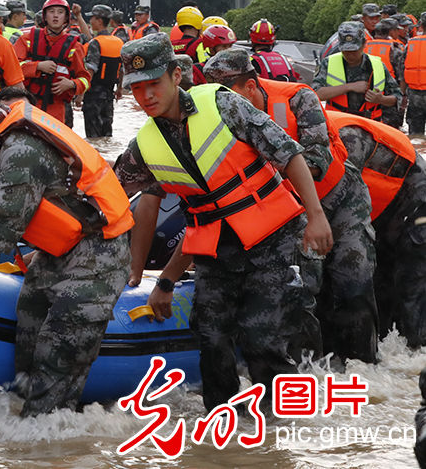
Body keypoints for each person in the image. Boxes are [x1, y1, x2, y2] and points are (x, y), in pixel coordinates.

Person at [114, 35, 332, 410]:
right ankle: (222, 442)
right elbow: (108, 195)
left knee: (262, 341)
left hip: (272, 241)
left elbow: (290, 154)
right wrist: (164, 281)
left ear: (176, 75)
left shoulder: (223, 104)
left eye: (154, 83)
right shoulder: (145, 145)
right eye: (137, 88)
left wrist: (316, 216)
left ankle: (273, 441)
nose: (146, 95)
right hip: (217, 253)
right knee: (211, 340)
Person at [0, 71, 134, 415]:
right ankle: (25, 428)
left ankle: (50, 434)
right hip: (58, 249)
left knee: (57, 351)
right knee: (28, 328)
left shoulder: (18, 150)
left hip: (99, 250)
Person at [203, 49, 378, 364]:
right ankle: (308, 374)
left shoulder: (299, 98)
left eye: (229, 96)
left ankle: (365, 369)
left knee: (353, 280)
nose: (223, 107)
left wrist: (273, 165)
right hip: (288, 211)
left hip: (339, 200)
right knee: (299, 290)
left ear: (251, 88)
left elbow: (317, 157)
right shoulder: (216, 119)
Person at [324, 109, 426, 348]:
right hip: (379, 214)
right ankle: (381, 362)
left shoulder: (345, 137)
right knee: (380, 291)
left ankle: (414, 359)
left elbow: (335, 208)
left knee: (413, 292)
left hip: (415, 204)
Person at [13, 0, 90, 126]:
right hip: (27, 105)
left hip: (57, 108)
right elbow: (12, 68)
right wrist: (37, 66)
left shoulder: (74, 46)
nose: (55, 16)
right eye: (51, 12)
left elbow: (85, 79)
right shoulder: (27, 39)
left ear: (66, 18)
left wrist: (71, 84)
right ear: (45, 16)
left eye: (60, 12)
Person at [313, 21, 400, 121]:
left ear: (364, 44)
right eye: (346, 50)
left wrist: (381, 99)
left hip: (370, 124)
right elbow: (316, 94)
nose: (350, 54)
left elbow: (397, 97)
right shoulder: (328, 63)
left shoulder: (377, 65)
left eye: (354, 50)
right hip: (339, 124)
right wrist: (349, 87)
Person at [81, 4, 123, 138]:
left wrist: (81, 93)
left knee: (93, 136)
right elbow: (122, 69)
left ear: (99, 21)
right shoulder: (118, 42)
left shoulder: (95, 43)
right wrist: (120, 89)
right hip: (110, 94)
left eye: (92, 18)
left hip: (93, 95)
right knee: (107, 134)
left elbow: (91, 69)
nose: (90, 21)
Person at [366, 18, 406, 129]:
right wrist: (402, 99)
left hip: (367, 97)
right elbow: (401, 77)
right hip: (389, 96)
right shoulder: (395, 50)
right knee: (391, 132)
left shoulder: (364, 47)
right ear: (390, 32)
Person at [407, 23, 426, 135]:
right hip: (415, 95)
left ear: (422, 27)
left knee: (415, 135)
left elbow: (402, 69)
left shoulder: (410, 43)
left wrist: (403, 95)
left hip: (414, 97)